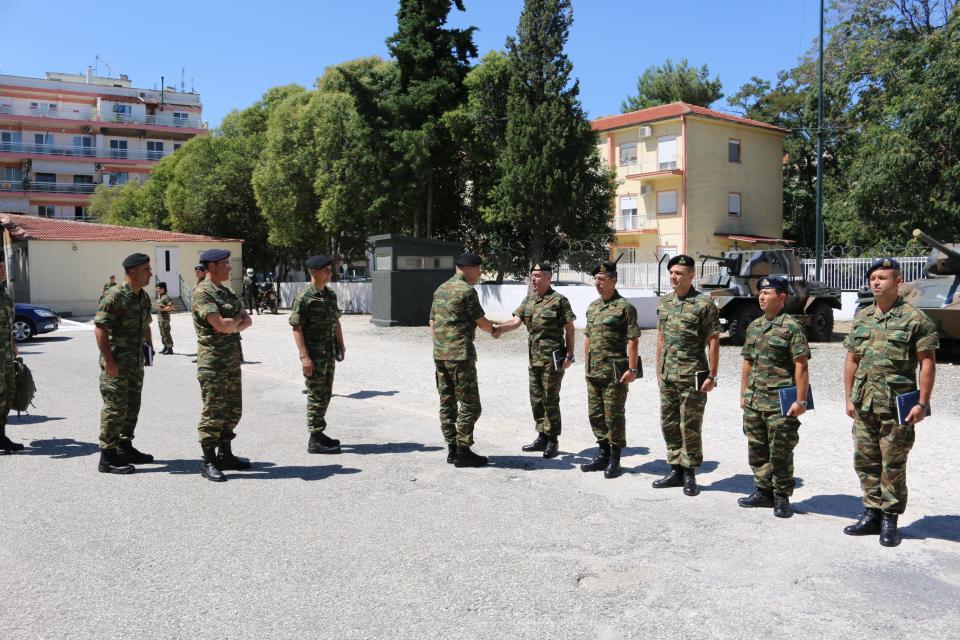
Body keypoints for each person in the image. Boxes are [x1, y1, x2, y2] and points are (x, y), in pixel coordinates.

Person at [843, 258, 937, 547]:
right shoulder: (862, 317)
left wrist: (922, 403)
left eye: (882, 277)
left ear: (898, 281)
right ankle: (871, 513)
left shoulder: (915, 319)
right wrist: (848, 397)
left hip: (897, 407)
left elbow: (927, 363)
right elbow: (852, 359)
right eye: (873, 278)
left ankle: (889, 520)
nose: (876, 282)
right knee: (865, 461)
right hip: (865, 403)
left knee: (893, 465)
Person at [738, 275, 811, 518]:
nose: (762, 297)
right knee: (757, 447)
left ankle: (781, 496)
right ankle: (763, 491)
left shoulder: (791, 327)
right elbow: (747, 362)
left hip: (780, 401)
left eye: (767, 293)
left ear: (781, 297)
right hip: (755, 399)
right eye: (760, 293)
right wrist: (743, 393)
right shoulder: (754, 326)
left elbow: (801, 365)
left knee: (780, 450)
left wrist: (801, 401)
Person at [652, 254, 720, 496]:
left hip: (693, 375)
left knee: (689, 425)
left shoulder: (703, 304)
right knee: (669, 423)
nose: (673, 277)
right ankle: (675, 469)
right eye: (671, 272)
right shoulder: (665, 303)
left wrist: (712, 375)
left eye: (679, 273)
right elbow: (661, 337)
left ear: (691, 275)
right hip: (668, 374)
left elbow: (713, 340)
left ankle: (690, 472)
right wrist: (658, 368)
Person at [494, 263, 576, 458]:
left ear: (548, 277)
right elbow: (516, 321)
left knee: (550, 398)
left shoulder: (559, 300)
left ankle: (552, 440)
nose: (534, 279)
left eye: (538, 275)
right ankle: (541, 436)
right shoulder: (529, 300)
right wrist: (501, 329)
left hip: (552, 359)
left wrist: (570, 355)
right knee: (536, 398)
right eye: (532, 275)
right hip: (534, 358)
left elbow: (570, 329)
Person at [429, 252, 498, 467]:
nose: (480, 273)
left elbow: (432, 322)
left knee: (447, 403)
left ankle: (452, 449)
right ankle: (462, 450)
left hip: (440, 354)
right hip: (460, 355)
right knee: (471, 405)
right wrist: (496, 331)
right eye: (478, 269)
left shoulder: (440, 289)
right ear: (467, 268)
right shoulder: (466, 291)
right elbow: (481, 322)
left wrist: (441, 347)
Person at [192, 248, 253, 482]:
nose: (229, 267)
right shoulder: (203, 292)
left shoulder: (226, 292)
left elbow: (247, 321)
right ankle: (208, 461)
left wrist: (231, 324)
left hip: (231, 359)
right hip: (213, 361)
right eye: (225, 263)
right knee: (214, 411)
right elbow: (223, 325)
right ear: (212, 266)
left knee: (233, 410)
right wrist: (233, 322)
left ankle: (225, 454)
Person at [94, 253, 155, 474]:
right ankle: (107, 456)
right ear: (133, 272)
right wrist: (109, 360)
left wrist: (149, 349)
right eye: (146, 269)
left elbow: (146, 325)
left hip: (135, 363)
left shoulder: (143, 297)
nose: (150, 273)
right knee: (115, 408)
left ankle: (124, 446)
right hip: (117, 364)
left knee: (132, 407)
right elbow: (100, 328)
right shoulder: (114, 296)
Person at [580, 260, 640, 479]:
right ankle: (602, 453)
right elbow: (587, 337)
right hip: (594, 371)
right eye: (595, 279)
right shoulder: (593, 307)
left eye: (602, 279)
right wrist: (586, 365)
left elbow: (633, 340)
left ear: (613, 280)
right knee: (595, 414)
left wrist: (632, 369)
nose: (597, 283)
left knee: (613, 415)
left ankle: (615, 458)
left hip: (615, 372)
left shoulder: (625, 308)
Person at [290, 255, 345, 454]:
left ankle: (319, 433)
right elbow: (297, 327)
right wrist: (304, 357)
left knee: (326, 393)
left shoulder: (330, 294)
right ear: (313, 272)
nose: (330, 273)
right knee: (316, 394)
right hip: (314, 356)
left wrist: (341, 344)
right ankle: (315, 438)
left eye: (331, 269)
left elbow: (336, 321)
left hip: (328, 353)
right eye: (326, 270)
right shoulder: (305, 297)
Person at [0, 257, 23, 454]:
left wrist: (14, 345)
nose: (3, 271)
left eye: (3, 267)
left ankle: (1, 436)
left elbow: (9, 323)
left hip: (6, 354)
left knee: (7, 394)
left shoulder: (5, 294)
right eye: (0, 268)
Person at [155, 282, 175, 355]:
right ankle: (165, 347)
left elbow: (171, 306)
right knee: (162, 333)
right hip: (160, 318)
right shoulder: (160, 296)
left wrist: (163, 309)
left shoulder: (166, 297)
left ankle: (170, 349)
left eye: (158, 288)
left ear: (162, 289)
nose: (156, 289)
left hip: (164, 318)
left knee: (166, 333)